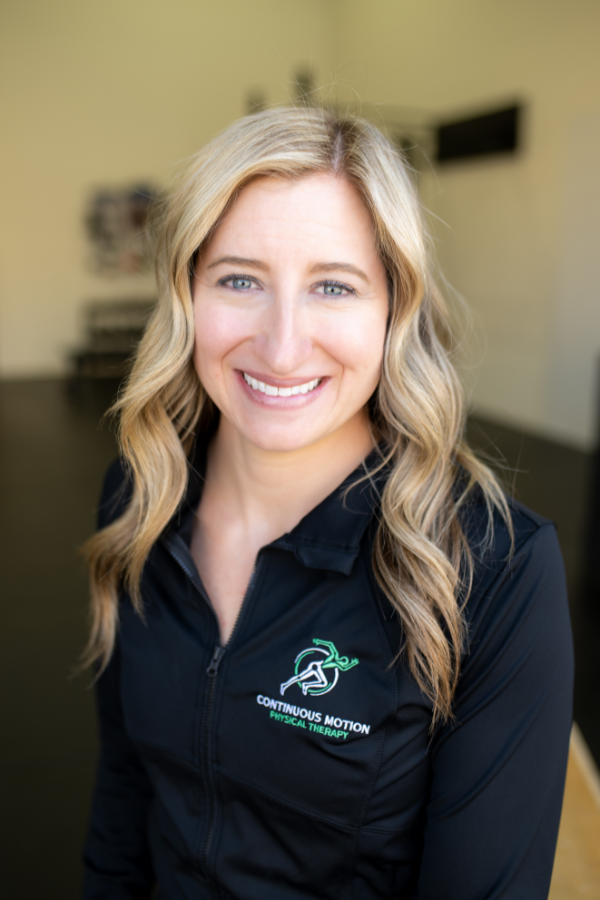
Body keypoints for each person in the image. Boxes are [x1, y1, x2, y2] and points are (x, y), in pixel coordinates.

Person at [81, 107, 573, 900]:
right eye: (239, 279)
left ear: (394, 310)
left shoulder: (495, 570)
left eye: (333, 287)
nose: (281, 345)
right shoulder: (142, 498)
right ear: (186, 293)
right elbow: (125, 800)